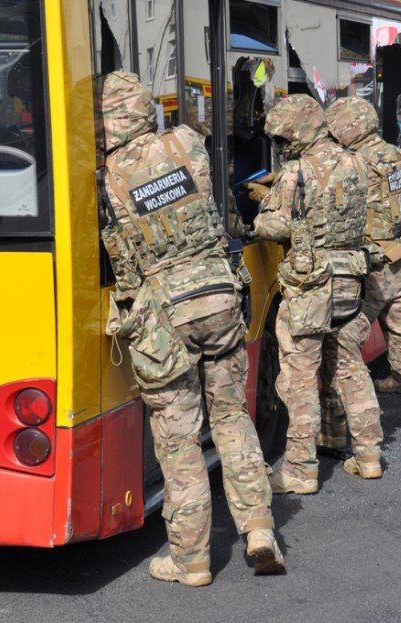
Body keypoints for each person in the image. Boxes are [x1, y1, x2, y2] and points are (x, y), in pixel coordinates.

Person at [99, 71, 284, 586]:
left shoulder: (105, 174)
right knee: (231, 417)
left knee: (179, 442)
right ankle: (260, 530)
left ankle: (191, 559)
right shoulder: (185, 142)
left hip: (165, 313)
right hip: (220, 296)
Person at [250, 94, 382, 487]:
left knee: (300, 377)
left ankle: (300, 471)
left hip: (311, 287)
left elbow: (274, 228)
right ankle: (370, 455)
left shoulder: (296, 172)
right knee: (350, 369)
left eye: (283, 136)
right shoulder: (358, 162)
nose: (281, 144)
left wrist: (263, 211)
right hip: (350, 279)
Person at [320, 96, 401, 449]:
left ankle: (337, 434)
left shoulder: (352, 163)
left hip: (368, 273)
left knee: (340, 349)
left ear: (348, 126)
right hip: (400, 263)